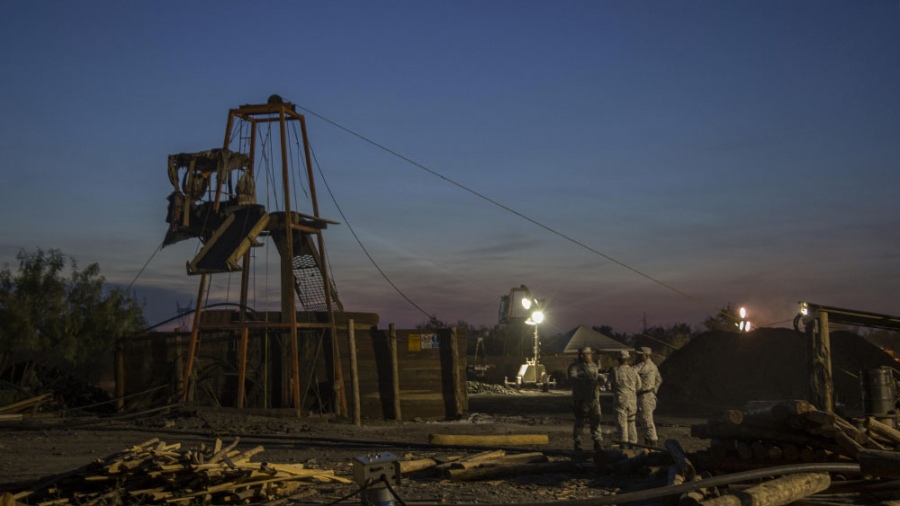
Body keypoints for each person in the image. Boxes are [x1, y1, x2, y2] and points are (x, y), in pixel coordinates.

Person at [567, 346, 603, 454]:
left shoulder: (593, 366)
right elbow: (573, 379)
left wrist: (600, 380)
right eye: (588, 354)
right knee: (580, 421)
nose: (591, 356)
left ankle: (597, 442)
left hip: (594, 398)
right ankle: (578, 442)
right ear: (582, 355)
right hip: (581, 399)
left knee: (596, 420)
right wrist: (587, 381)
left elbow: (597, 378)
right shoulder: (574, 367)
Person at [608, 350, 641, 447]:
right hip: (632, 400)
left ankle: (624, 445)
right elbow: (639, 386)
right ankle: (634, 444)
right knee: (632, 423)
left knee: (622, 424)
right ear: (628, 359)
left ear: (618, 359)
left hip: (620, 399)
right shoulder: (634, 371)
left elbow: (609, 386)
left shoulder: (615, 371)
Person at [634, 346, 663, 447]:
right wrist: (654, 389)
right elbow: (659, 379)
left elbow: (633, 371)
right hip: (649, 395)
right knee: (644, 419)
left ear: (646, 355)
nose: (638, 356)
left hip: (645, 396)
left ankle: (652, 442)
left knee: (647, 420)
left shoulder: (645, 366)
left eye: (640, 355)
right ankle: (648, 441)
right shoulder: (654, 366)